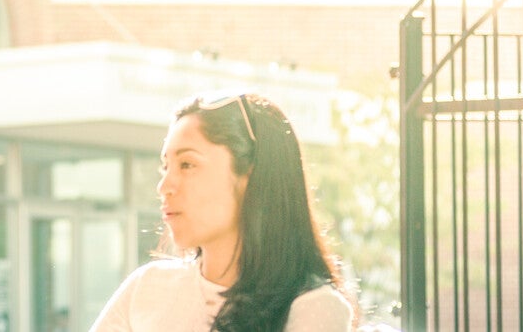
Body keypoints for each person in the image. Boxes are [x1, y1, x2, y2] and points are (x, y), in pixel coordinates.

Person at [91, 93, 354, 331]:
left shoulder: (313, 309)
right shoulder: (147, 289)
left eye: (187, 164)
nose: (164, 186)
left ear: (251, 175)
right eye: (165, 167)